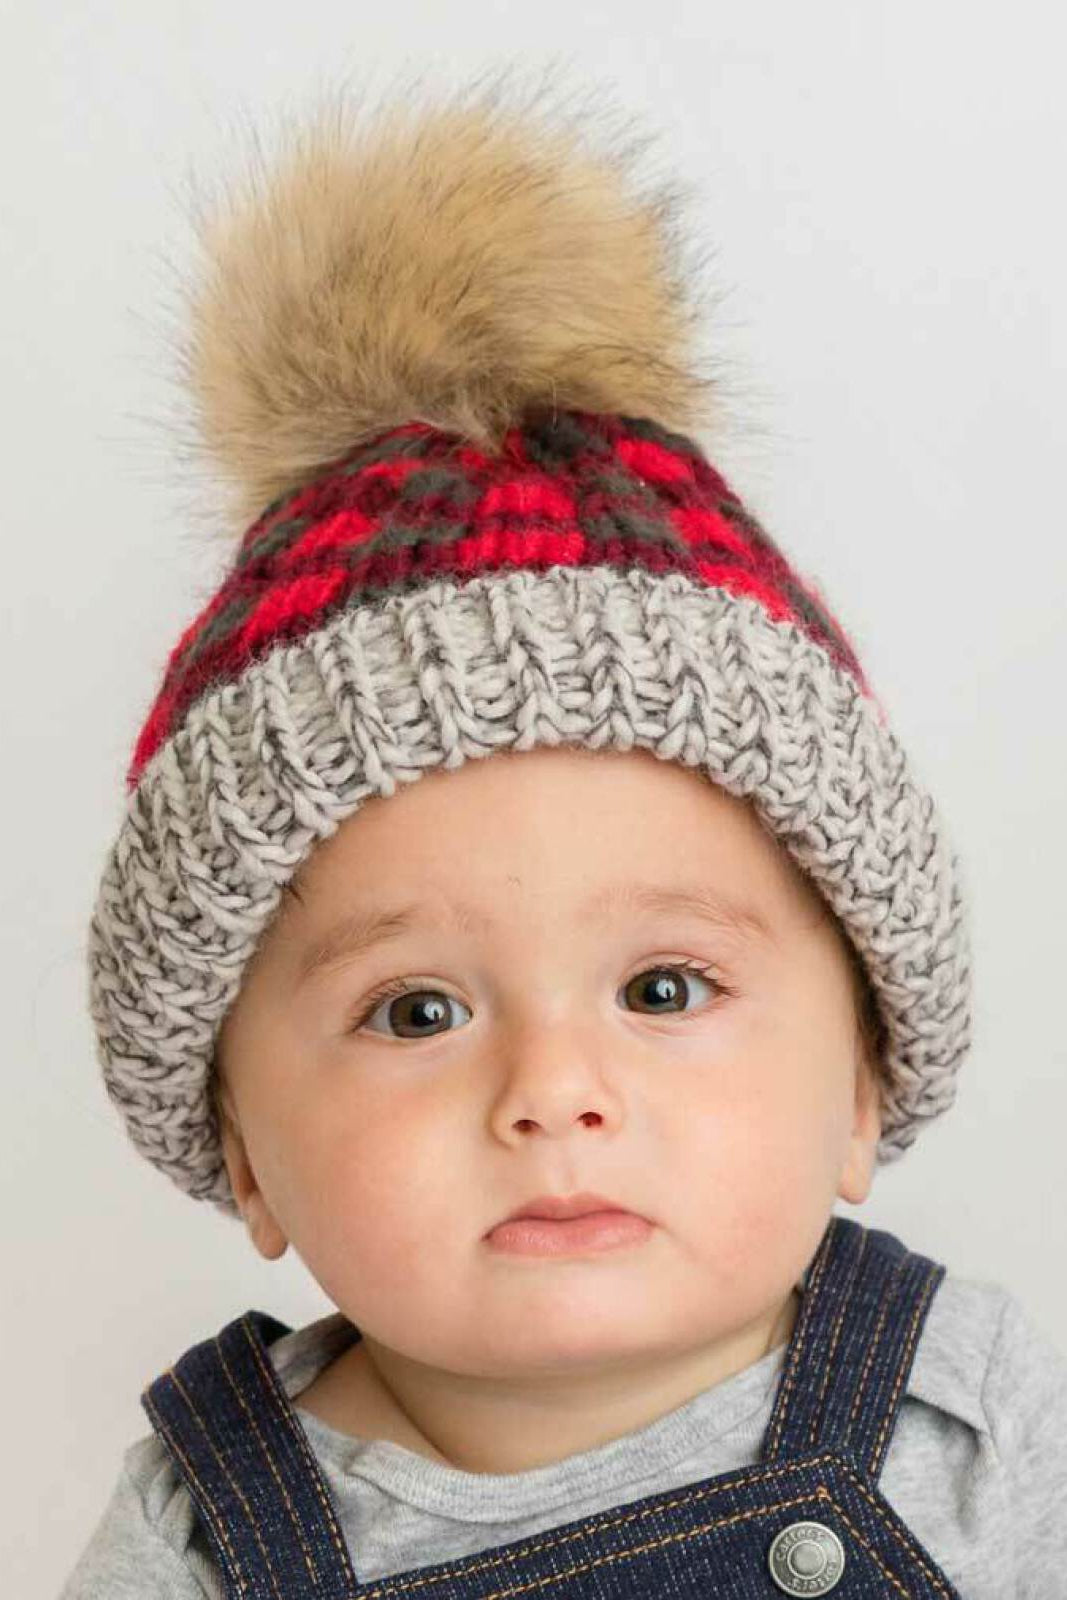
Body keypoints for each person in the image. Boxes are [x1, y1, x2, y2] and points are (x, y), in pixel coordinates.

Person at [61, 67, 1067, 1600]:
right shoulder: (204, 1548)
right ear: (242, 1148)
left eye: (663, 988)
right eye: (417, 1010)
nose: (553, 1094)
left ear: (867, 1076)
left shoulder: (982, 1432)